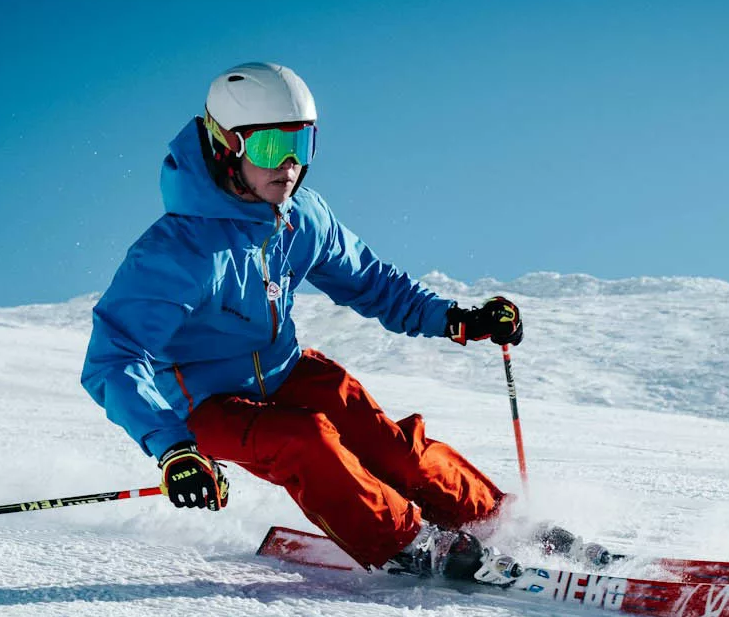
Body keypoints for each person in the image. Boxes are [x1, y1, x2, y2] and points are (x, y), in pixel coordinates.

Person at [81, 62, 525, 582]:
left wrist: (457, 318)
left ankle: (500, 522)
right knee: (305, 440)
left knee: (390, 447)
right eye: (271, 147)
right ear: (228, 145)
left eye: (302, 145)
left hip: (287, 371)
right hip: (205, 404)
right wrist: (172, 448)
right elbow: (115, 359)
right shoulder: (177, 252)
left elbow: (373, 282)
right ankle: (411, 544)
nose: (289, 165)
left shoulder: (302, 216)